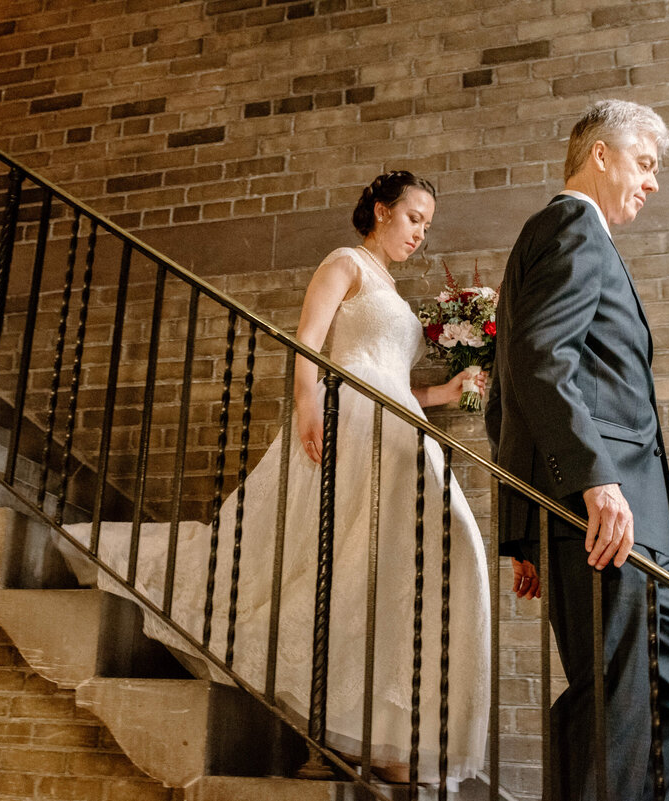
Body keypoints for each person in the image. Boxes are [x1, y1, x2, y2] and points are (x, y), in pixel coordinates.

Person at [69, 171, 491, 787]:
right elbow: (310, 341)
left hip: (398, 430)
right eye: (413, 218)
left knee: (395, 565)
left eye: (428, 223)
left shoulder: (398, 298)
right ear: (380, 211)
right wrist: (308, 407)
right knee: (339, 561)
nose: (421, 232)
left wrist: (445, 391)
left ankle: (388, 737)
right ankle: (347, 726)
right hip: (346, 424)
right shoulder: (346, 263)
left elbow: (395, 383)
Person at [484, 100, 669, 801]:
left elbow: (509, 393)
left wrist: (524, 528)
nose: (652, 182)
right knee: (629, 691)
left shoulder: (558, 231)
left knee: (631, 690)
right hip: (607, 510)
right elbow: (535, 361)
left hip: (591, 508)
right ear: (600, 154)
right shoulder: (574, 226)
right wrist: (592, 479)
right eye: (645, 164)